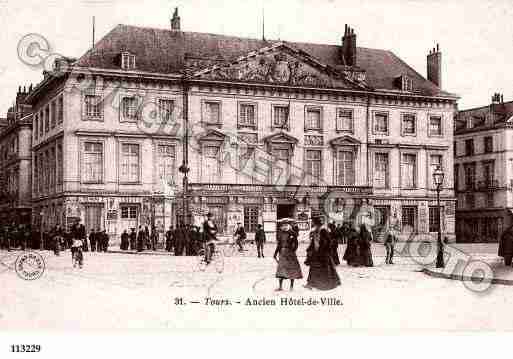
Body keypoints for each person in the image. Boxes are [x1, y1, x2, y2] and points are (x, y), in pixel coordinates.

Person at [305, 217, 341, 290]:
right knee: (313, 268)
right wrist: (309, 249)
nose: (311, 223)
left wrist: (323, 250)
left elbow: (327, 242)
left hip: (323, 253)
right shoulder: (316, 230)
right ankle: (310, 284)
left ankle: (326, 284)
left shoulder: (323, 230)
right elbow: (314, 242)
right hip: (316, 253)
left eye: (312, 222)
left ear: (315, 223)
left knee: (324, 269)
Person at [274, 220, 302, 291]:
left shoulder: (292, 233)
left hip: (290, 253)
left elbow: (296, 244)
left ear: (289, 226)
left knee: (291, 269)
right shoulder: (281, 234)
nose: (284, 227)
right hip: (282, 253)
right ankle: (280, 287)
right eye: (283, 225)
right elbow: (279, 244)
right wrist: (275, 253)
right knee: (281, 269)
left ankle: (291, 287)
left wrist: (292, 251)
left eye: (286, 225)